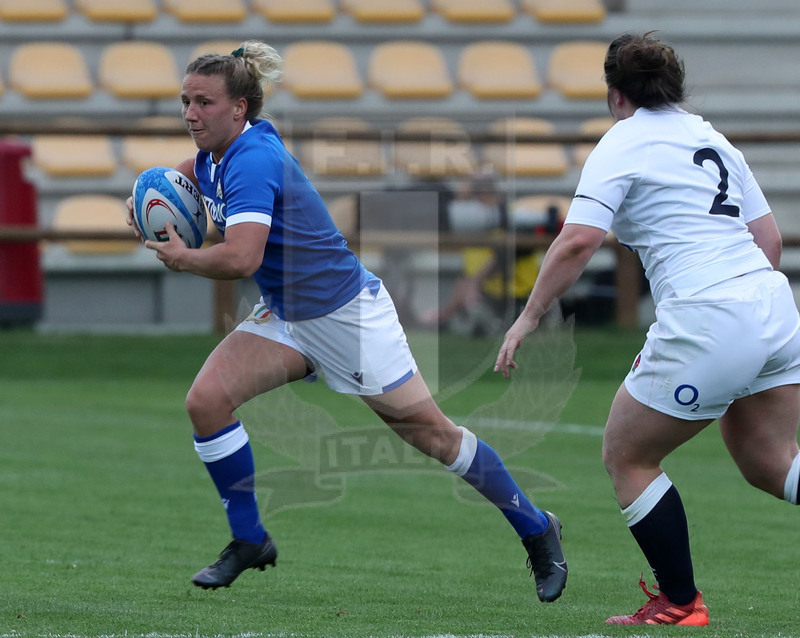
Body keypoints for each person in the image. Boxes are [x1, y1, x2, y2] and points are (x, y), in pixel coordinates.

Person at [124, 40, 567, 601]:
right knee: (205, 402)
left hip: (346, 317)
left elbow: (241, 258)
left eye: (204, 102)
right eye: (185, 101)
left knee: (432, 436)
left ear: (239, 108)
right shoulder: (216, 155)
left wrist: (182, 255)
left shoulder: (253, 160)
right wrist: (148, 199)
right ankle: (249, 539)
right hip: (287, 317)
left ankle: (536, 528)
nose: (190, 113)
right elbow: (177, 181)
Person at [495, 32, 800, 625]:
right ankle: (680, 601)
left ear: (615, 95)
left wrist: (528, 317)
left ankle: (681, 604)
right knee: (771, 461)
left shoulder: (622, 142)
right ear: (674, 86)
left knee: (626, 454)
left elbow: (579, 238)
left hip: (709, 317)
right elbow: (770, 241)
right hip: (773, 307)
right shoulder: (710, 137)